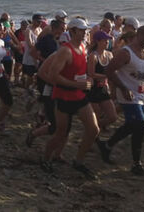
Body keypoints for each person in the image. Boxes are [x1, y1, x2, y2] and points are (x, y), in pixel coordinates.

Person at [42, 18, 99, 179]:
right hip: (64, 96)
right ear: (72, 31)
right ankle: (46, 158)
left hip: (79, 95)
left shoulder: (83, 47)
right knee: (61, 134)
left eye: (86, 30)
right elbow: (53, 75)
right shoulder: (64, 51)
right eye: (81, 30)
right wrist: (76, 84)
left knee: (94, 129)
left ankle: (78, 161)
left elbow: (80, 71)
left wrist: (88, 79)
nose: (85, 33)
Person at [97, 26, 144, 176]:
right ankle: (136, 163)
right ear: (140, 35)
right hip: (128, 95)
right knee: (141, 126)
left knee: (132, 125)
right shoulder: (126, 53)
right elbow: (109, 71)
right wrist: (122, 88)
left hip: (141, 95)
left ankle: (107, 145)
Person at [86, 31, 117, 130]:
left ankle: (96, 128)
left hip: (103, 88)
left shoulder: (109, 54)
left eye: (108, 40)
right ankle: (94, 134)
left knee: (113, 117)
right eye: (105, 40)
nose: (107, 42)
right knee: (96, 116)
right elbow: (91, 74)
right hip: (93, 89)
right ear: (98, 41)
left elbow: (113, 71)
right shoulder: (93, 56)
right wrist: (106, 76)